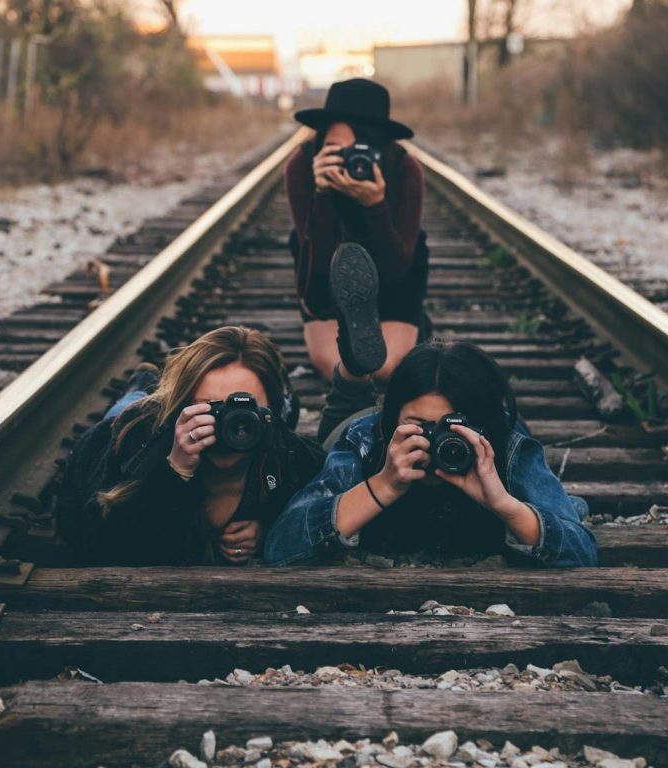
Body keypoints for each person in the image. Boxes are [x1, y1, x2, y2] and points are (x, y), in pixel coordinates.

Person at [264, 341, 598, 568]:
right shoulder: (368, 438)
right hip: (352, 425)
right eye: (418, 426)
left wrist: (503, 503)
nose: (439, 443)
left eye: (454, 430)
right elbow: (281, 546)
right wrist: (384, 484)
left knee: (565, 507)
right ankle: (352, 382)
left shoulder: (507, 446)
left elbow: (581, 552)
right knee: (331, 439)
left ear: (482, 427)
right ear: (390, 421)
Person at [55, 327, 326, 566]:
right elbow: (95, 547)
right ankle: (141, 386)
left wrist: (269, 529)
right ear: (182, 409)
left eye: (244, 407)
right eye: (209, 407)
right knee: (127, 408)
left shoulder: (286, 451)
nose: (232, 424)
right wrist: (175, 469)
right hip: (133, 421)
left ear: (272, 412)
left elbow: (328, 508)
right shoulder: (135, 441)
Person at [285, 78, 429, 389]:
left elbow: (397, 270)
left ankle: (409, 324)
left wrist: (375, 205)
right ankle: (375, 324)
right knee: (341, 370)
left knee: (384, 369)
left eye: (356, 151)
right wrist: (322, 195)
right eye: (334, 148)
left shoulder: (404, 169)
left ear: (376, 147)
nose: (348, 160)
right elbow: (319, 269)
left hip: (394, 278)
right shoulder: (302, 165)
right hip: (324, 284)